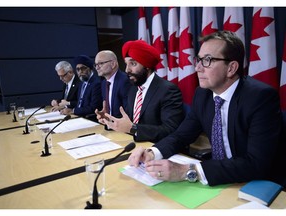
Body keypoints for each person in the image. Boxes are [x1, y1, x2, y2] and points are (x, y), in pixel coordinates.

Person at [128, 31, 283, 186]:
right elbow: (181, 136)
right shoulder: (203, 94)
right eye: (199, 60)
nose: (198, 68)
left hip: (254, 183)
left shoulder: (260, 98)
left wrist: (186, 171)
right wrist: (152, 152)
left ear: (231, 68)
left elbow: (256, 163)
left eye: (207, 60)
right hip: (217, 176)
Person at [97, 40, 185, 142]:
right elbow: (128, 122)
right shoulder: (133, 89)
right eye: (126, 64)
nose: (127, 70)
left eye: (133, 64)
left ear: (146, 65)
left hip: (156, 149)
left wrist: (134, 129)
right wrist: (110, 120)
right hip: (134, 144)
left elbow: (170, 130)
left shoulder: (168, 90)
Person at [94, 50, 132, 128]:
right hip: (110, 127)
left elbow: (129, 113)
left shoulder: (125, 81)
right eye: (96, 64)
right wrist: (105, 115)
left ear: (113, 64)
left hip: (123, 130)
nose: (97, 67)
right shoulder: (104, 83)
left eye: (100, 63)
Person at [60, 55, 102, 121]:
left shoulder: (96, 84)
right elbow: (79, 102)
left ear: (90, 68)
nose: (80, 71)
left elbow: (94, 108)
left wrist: (73, 110)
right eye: (78, 69)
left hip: (90, 119)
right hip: (78, 117)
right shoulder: (82, 82)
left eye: (83, 68)